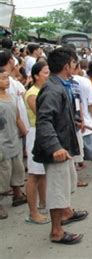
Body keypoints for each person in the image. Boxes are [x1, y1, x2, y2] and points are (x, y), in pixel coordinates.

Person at [33, 47, 88, 245]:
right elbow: (45, 121)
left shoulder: (60, 85)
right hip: (57, 149)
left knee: (66, 185)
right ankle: (56, 231)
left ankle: (66, 213)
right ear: (67, 66)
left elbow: (59, 114)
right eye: (74, 63)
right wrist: (55, 147)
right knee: (57, 191)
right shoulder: (53, 89)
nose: (76, 67)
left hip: (64, 145)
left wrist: (74, 120)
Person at [0, 66, 28, 219]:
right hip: (1, 143)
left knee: (17, 169)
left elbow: (17, 118)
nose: (7, 81)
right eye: (3, 79)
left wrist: (25, 133)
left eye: (7, 78)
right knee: (2, 173)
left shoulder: (10, 97)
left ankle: (17, 195)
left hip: (14, 139)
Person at [24, 61, 50, 224]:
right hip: (35, 134)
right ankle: (33, 213)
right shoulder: (32, 93)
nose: (48, 76)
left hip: (43, 133)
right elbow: (42, 114)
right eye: (45, 73)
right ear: (35, 76)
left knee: (42, 173)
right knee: (34, 175)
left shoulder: (42, 90)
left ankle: (43, 203)